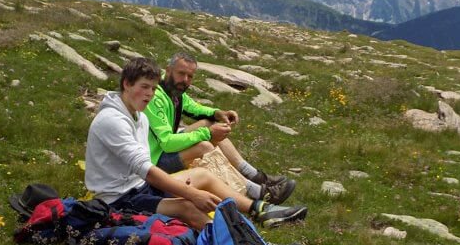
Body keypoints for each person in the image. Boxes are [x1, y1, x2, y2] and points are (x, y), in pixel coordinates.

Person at [85, 57, 307, 233]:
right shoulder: (113, 121)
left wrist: (214, 114)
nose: (149, 94)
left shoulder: (140, 113)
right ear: (126, 83)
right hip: (119, 199)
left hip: (140, 185)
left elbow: (193, 108)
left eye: (152, 88)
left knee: (203, 174)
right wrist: (191, 193)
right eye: (144, 87)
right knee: (190, 204)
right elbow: (151, 165)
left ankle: (261, 208)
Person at [144, 52, 297, 205]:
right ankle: (255, 192)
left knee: (208, 124)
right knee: (204, 145)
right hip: (152, 164)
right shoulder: (155, 96)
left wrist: (217, 113)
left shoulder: (172, 89)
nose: (185, 80)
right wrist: (208, 133)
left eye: (190, 76)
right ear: (168, 70)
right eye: (181, 73)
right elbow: (167, 142)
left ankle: (255, 176)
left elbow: (192, 108)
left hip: (161, 151)